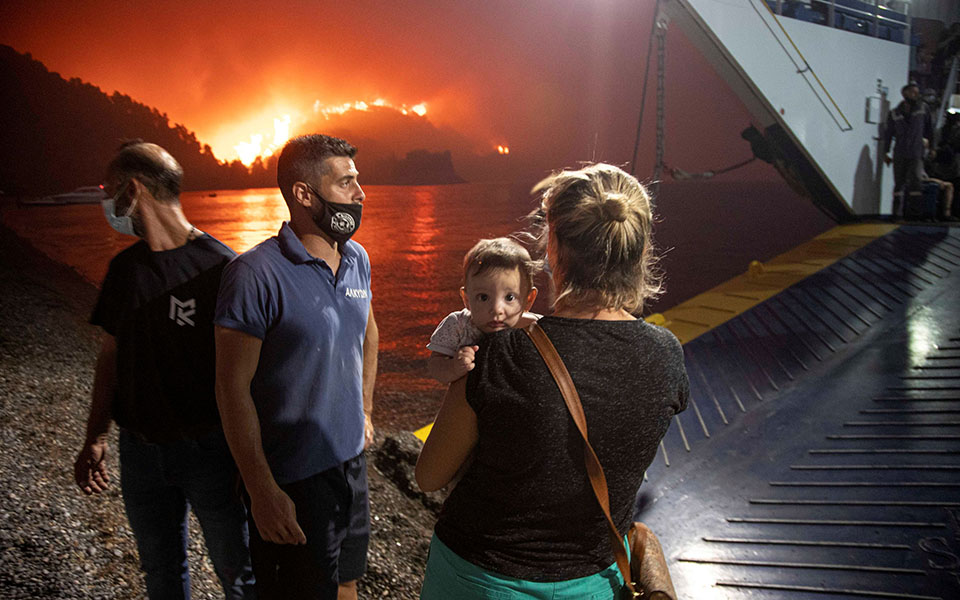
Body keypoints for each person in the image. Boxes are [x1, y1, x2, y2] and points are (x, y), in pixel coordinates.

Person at [416, 163, 690, 599]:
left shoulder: (501, 354)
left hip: (481, 581)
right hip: (595, 582)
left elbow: (430, 476)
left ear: (555, 250)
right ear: (637, 252)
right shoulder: (666, 355)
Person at [73, 141, 255, 599]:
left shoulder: (220, 268)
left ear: (133, 191)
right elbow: (110, 357)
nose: (106, 204)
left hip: (210, 453)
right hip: (139, 453)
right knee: (161, 572)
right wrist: (96, 436)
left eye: (109, 191)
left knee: (239, 575)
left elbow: (249, 374)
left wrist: (251, 459)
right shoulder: (124, 270)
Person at [214, 134, 378, 600]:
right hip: (293, 476)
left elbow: (368, 334)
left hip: (350, 464)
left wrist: (365, 412)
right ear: (304, 194)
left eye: (357, 181)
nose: (360, 194)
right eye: (346, 183)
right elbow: (231, 389)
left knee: (347, 580)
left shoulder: (357, 259)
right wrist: (261, 490)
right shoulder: (253, 274)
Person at [426, 237, 539, 383]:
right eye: (484, 297)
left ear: (528, 300)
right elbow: (435, 365)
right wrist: (454, 367)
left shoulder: (535, 328)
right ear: (467, 299)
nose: (496, 309)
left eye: (509, 297)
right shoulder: (459, 326)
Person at [883, 82, 934, 218]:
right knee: (899, 183)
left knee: (916, 183)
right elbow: (888, 134)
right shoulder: (894, 113)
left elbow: (929, 129)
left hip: (916, 152)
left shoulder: (923, 109)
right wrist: (885, 152)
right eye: (913, 92)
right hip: (900, 153)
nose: (916, 95)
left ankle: (915, 214)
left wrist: (932, 147)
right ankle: (897, 214)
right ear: (905, 94)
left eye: (917, 92)